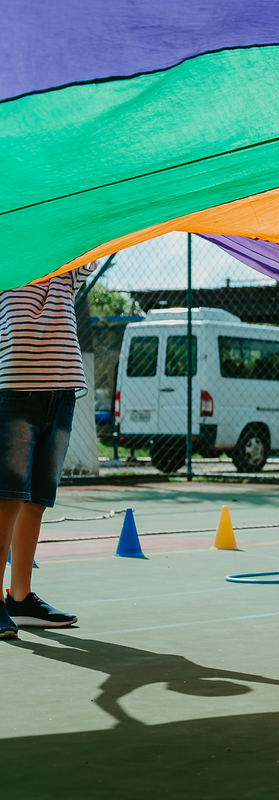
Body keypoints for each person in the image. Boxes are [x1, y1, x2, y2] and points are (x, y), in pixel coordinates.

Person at [0, 262, 95, 639]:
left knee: (36, 500)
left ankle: (20, 597)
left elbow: (97, 240)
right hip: (14, 393)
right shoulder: (7, 267)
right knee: (7, 499)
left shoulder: (65, 271)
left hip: (62, 394)